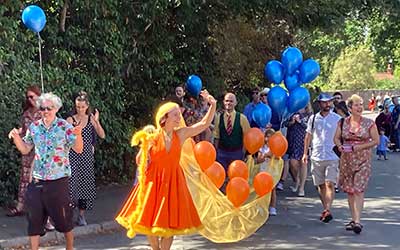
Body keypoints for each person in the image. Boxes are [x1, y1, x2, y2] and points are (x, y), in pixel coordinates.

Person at [116, 90, 216, 250]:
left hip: (174, 183)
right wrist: (144, 147)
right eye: (175, 114)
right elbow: (138, 161)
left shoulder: (181, 134)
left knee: (171, 224)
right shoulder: (152, 137)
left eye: (179, 114)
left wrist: (213, 105)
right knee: (150, 221)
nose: (179, 117)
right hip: (154, 183)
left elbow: (203, 125)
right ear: (164, 118)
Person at [8, 93, 83, 250]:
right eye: (42, 108)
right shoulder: (34, 127)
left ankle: (70, 248)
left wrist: (78, 135)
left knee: (64, 221)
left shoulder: (64, 126)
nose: (46, 111)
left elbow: (78, 149)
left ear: (56, 109)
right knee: (34, 220)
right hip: (38, 181)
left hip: (59, 181)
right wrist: (16, 137)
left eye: (49, 108)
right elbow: (25, 149)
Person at [334, 94, 379, 234]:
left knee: (359, 189)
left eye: (361, 104)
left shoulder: (369, 123)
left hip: (363, 160)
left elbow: (376, 141)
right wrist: (340, 146)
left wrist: (360, 147)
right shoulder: (343, 122)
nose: (360, 107)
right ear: (350, 108)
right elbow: (336, 138)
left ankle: (358, 221)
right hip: (347, 160)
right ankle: (353, 219)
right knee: (350, 190)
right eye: (357, 105)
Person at [67, 91, 105, 226]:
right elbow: (65, 138)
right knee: (71, 185)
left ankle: (81, 215)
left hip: (87, 155)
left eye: (82, 107)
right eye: (78, 107)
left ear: (87, 106)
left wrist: (97, 122)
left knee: (85, 185)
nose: (80, 109)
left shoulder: (90, 119)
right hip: (73, 155)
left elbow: (102, 135)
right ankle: (69, 214)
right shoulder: (70, 119)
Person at [302, 93, 341, 223]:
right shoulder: (313, 119)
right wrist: (305, 154)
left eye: (329, 102)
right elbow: (308, 136)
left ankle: (328, 209)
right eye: (324, 102)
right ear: (319, 104)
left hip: (332, 155)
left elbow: (343, 136)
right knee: (320, 185)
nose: (327, 105)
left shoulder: (337, 119)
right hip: (317, 155)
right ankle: (325, 208)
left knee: (330, 183)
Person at [7, 86, 41, 217]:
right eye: (28, 97)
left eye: (32, 96)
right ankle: (20, 206)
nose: (30, 99)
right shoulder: (27, 113)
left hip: (41, 151)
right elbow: (24, 129)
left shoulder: (45, 112)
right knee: (24, 178)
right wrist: (17, 133)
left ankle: (41, 211)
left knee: (39, 180)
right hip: (28, 148)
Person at [214, 93, 250, 171]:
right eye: (227, 101)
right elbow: (217, 136)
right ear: (223, 102)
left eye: (231, 101)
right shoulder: (219, 118)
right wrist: (217, 152)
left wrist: (243, 153)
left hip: (236, 153)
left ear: (235, 103)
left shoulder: (242, 118)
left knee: (235, 178)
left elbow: (247, 137)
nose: (228, 103)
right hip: (222, 153)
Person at [287, 105, 312, 197]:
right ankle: (297, 180)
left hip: (304, 141)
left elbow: (310, 128)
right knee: (293, 163)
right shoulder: (292, 112)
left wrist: (300, 122)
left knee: (303, 164)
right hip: (294, 141)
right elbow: (285, 124)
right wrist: (292, 122)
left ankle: (301, 187)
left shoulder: (309, 114)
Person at [256, 128, 277, 215]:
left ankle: (272, 207)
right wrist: (265, 155)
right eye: (267, 136)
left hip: (272, 171)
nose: (268, 139)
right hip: (263, 169)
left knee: (272, 189)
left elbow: (277, 157)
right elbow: (258, 160)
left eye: (270, 137)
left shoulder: (276, 146)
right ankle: (261, 206)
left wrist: (271, 154)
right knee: (261, 189)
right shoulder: (262, 148)